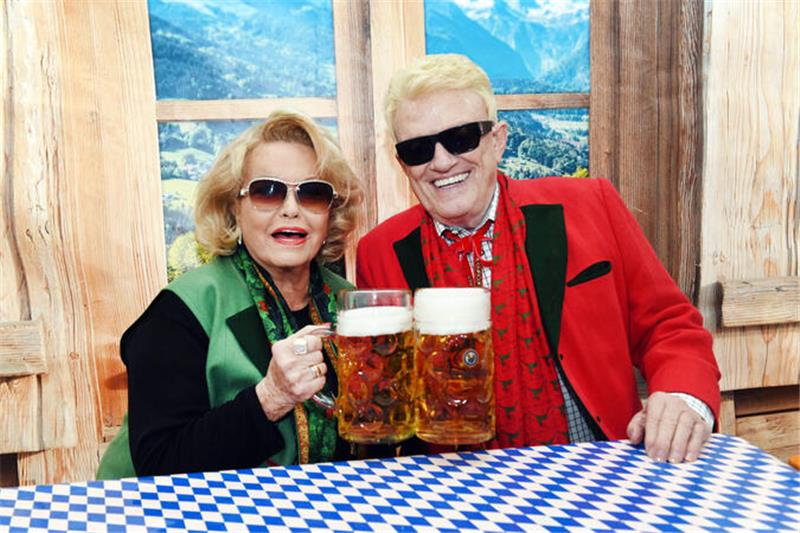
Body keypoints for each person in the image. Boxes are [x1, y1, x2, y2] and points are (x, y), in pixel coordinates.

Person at [356, 54, 720, 463]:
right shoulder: (380, 251)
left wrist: (683, 396)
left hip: (603, 472)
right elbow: (381, 394)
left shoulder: (591, 205)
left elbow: (669, 326)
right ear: (402, 162)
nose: (441, 162)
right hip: (455, 488)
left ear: (498, 140)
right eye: (418, 148)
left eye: (461, 139)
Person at [97, 109, 363, 479]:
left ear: (330, 213)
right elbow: (159, 462)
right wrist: (271, 397)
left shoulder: (352, 303)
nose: (291, 209)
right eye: (266, 191)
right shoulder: (181, 309)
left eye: (312, 193)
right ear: (233, 209)